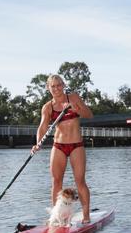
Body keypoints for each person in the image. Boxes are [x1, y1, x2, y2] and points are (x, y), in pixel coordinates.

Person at [32, 75, 93, 223]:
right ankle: (56, 218)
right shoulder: (48, 107)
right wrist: (37, 143)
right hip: (58, 145)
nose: (56, 89)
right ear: (48, 88)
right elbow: (42, 127)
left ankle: (86, 216)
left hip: (76, 145)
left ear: (63, 85)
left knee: (80, 181)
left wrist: (76, 108)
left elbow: (89, 115)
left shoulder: (73, 97)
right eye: (53, 86)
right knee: (56, 182)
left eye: (59, 85)